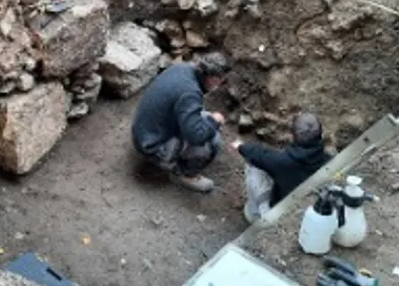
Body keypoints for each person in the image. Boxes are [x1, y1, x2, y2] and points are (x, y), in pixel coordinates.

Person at [131, 52, 231, 193]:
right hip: (153, 146)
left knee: (204, 116)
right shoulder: (190, 93)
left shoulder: (183, 68)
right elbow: (196, 136)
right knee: (213, 140)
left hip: (145, 131)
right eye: (222, 80)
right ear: (213, 78)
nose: (221, 84)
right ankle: (185, 174)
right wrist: (214, 122)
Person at [230, 111, 332, 224]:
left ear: (294, 136)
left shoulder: (284, 162)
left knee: (253, 165)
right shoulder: (326, 157)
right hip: (304, 206)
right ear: (320, 135)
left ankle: (254, 215)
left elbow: (259, 155)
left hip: (280, 215)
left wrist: (240, 146)